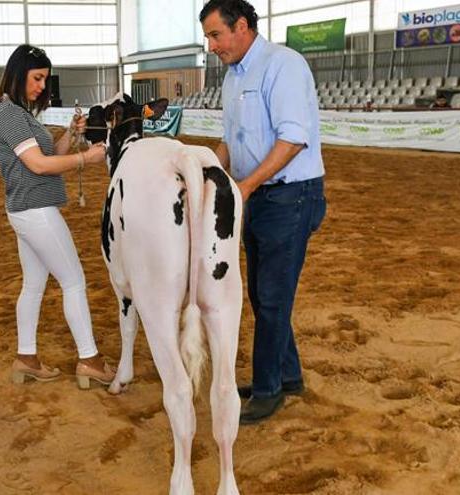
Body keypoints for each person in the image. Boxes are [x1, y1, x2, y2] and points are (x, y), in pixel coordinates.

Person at [201, 0, 327, 424]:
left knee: (271, 298)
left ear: (241, 27)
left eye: (216, 35)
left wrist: (246, 186)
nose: (211, 45)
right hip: (257, 198)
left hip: (289, 197)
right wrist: (205, 172)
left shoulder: (283, 65)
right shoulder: (234, 78)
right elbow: (230, 143)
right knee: (262, 295)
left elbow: (294, 140)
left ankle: (268, 389)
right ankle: (286, 376)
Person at [0, 44, 114, 387]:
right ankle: (89, 359)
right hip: (36, 209)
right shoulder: (9, 114)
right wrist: (86, 159)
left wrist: (71, 135)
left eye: (45, 78)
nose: (43, 85)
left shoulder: (17, 113)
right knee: (73, 282)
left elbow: (48, 154)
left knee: (33, 285)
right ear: (19, 74)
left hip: (25, 209)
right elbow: (39, 165)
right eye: (37, 77)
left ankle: (26, 357)